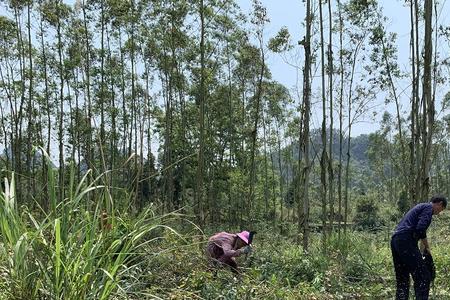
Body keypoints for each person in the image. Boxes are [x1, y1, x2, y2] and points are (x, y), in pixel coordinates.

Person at [391, 195, 447, 300]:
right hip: (406, 241)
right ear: (439, 204)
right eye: (441, 209)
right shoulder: (428, 208)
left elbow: (420, 231)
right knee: (423, 277)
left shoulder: (420, 207)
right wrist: (425, 249)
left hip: (396, 240)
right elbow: (420, 229)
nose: (439, 213)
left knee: (402, 279)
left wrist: (427, 248)